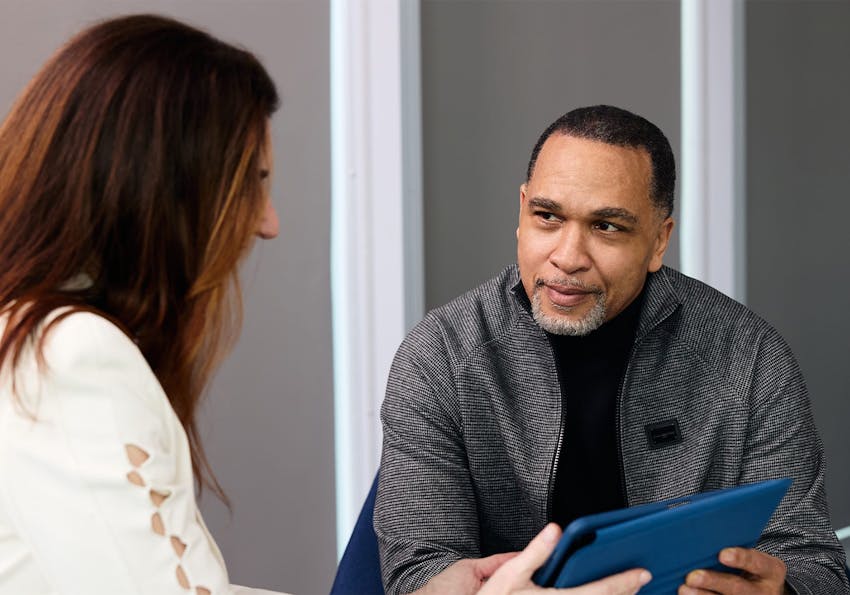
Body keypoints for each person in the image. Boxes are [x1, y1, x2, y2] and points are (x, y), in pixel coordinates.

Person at [375, 105, 850, 595]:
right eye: (547, 217)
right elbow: (418, 567)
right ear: (521, 213)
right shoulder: (442, 356)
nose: (568, 257)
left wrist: (781, 591)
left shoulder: (750, 357)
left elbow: (818, 567)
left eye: (607, 227)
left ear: (659, 240)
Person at [0, 14, 287, 595]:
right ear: (165, 187)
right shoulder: (69, 356)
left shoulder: (34, 339)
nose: (269, 223)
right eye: (252, 182)